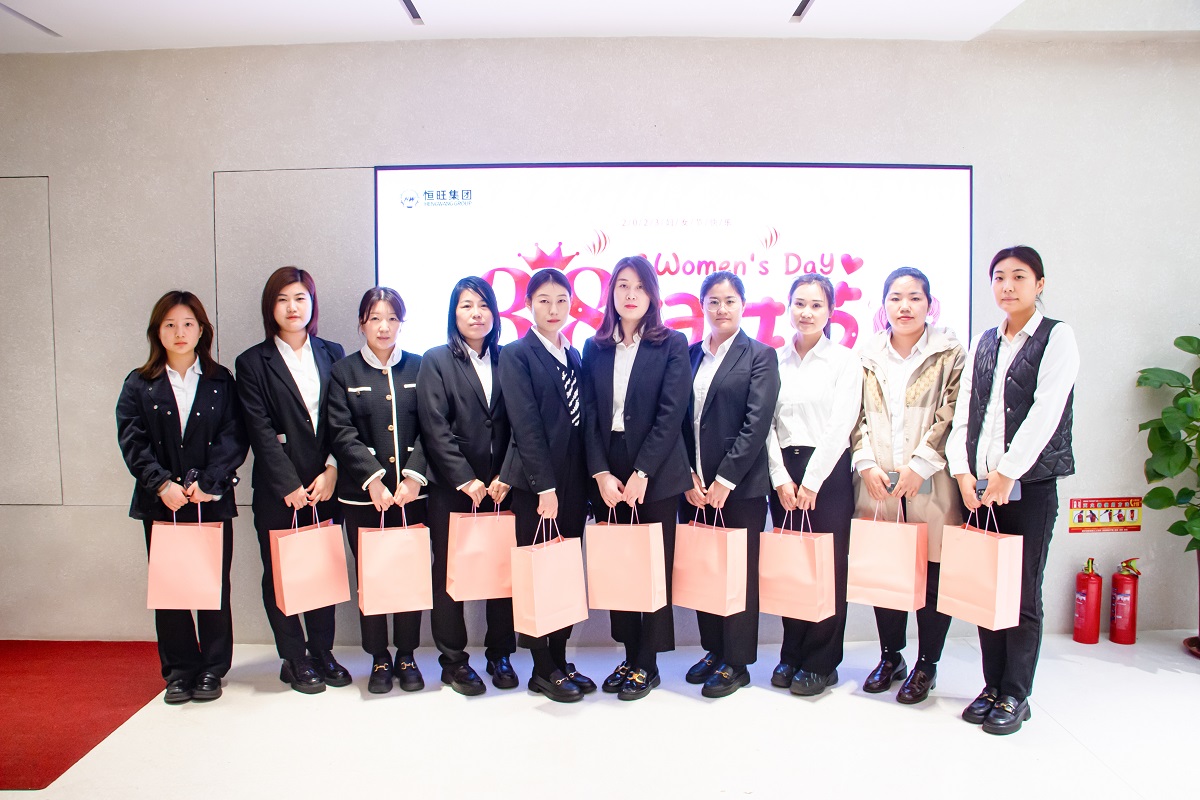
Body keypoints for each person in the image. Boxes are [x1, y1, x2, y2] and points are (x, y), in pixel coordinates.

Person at [947, 245, 1078, 735]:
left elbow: (1047, 411)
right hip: (980, 489)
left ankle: (1016, 694)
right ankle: (991, 686)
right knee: (987, 588)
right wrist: (963, 472)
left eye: (1019, 276)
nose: (1007, 285)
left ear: (1039, 284)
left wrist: (1008, 472)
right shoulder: (985, 341)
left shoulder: (1057, 337)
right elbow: (966, 413)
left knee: (1022, 593)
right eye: (999, 276)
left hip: (1030, 487)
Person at [116, 291, 248, 704]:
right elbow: (132, 440)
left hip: (210, 499)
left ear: (202, 330)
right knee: (171, 588)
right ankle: (179, 671)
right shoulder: (139, 383)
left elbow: (234, 435)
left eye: (188, 324)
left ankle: (212, 668)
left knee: (213, 586)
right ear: (157, 331)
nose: (179, 332)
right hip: (162, 502)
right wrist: (161, 484)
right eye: (170, 324)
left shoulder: (220, 380)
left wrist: (210, 482)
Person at [850, 267, 966, 704]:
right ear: (883, 306)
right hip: (878, 481)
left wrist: (921, 465)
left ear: (929, 305)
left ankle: (927, 664)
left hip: (931, 482)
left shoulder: (949, 351)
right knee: (887, 569)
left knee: (933, 574)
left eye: (915, 297)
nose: (904, 306)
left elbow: (953, 413)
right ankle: (890, 657)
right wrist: (865, 463)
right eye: (895, 298)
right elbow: (855, 415)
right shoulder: (866, 355)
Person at [235, 266, 351, 694]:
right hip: (277, 491)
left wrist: (333, 469)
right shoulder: (252, 362)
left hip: (327, 484)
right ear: (271, 307)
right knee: (280, 573)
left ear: (312, 303)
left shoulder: (333, 353)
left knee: (322, 568)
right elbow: (259, 429)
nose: (292, 307)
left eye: (300, 298)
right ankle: (294, 657)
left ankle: (322, 652)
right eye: (282, 299)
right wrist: (288, 484)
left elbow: (343, 419)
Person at [582, 255, 692, 701]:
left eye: (640, 287)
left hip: (657, 470)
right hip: (608, 466)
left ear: (652, 295)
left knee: (652, 568)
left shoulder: (673, 344)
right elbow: (589, 415)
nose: (631, 295)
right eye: (623, 286)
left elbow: (671, 413)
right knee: (619, 566)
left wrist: (643, 471)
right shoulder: (594, 347)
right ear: (611, 292)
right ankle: (628, 655)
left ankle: (648, 662)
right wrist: (601, 473)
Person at [497, 269, 596, 703]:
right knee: (539, 574)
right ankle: (541, 667)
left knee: (565, 574)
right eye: (543, 301)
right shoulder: (517, 354)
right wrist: (544, 488)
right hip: (539, 487)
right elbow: (526, 426)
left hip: (575, 483)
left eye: (561, 300)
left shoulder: (574, 354)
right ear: (528, 305)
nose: (553, 309)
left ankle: (559, 658)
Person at [680, 272, 780, 698]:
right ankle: (713, 650)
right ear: (703, 306)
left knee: (738, 573)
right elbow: (674, 419)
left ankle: (736, 662)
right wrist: (686, 474)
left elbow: (757, 424)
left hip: (740, 489)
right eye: (713, 301)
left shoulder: (760, 355)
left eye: (730, 301)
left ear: (742, 305)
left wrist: (725, 480)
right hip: (693, 486)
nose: (721, 309)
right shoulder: (688, 355)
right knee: (705, 568)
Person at [417, 276, 516, 696]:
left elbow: (522, 424)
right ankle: (453, 660)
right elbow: (434, 427)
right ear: (453, 314)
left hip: (503, 488)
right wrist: (465, 479)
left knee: (504, 570)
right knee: (450, 573)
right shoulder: (436, 360)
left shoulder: (509, 358)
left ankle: (500, 652)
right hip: (452, 488)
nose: (476, 314)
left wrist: (507, 474)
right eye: (466, 306)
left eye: (484, 305)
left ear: (495, 313)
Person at [327, 287, 428, 694]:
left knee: (409, 574)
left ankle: (406, 654)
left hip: (412, 496)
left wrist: (413, 477)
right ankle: (379, 657)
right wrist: (373, 480)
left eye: (391, 318)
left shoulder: (420, 367)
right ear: (361, 324)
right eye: (374, 318)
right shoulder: (344, 371)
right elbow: (341, 431)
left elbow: (432, 428)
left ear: (402, 323)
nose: (384, 327)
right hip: (362, 497)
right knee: (371, 576)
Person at [767, 273, 863, 696]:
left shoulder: (844, 361)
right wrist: (779, 478)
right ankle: (791, 653)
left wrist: (811, 482)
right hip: (783, 474)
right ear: (789, 307)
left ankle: (821, 661)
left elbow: (841, 425)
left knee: (826, 568)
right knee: (792, 566)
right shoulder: (774, 359)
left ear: (830, 311)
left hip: (828, 472)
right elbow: (765, 425)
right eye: (799, 304)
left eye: (816, 305)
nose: (806, 312)